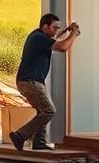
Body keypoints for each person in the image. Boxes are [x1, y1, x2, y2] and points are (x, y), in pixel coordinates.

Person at [10, 13, 80, 151]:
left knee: (42, 111)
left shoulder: (40, 37)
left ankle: (39, 142)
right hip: (30, 82)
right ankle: (20, 135)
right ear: (45, 27)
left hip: (29, 81)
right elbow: (62, 47)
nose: (56, 31)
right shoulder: (39, 38)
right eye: (54, 28)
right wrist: (74, 33)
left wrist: (68, 31)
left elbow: (57, 39)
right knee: (49, 111)